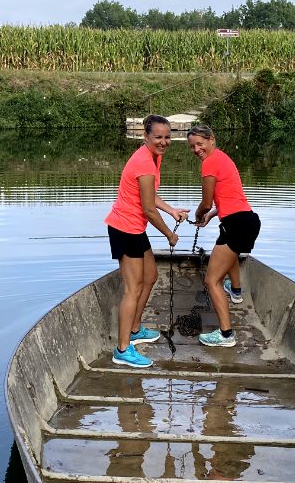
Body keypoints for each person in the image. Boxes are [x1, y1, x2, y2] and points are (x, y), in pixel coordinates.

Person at [105, 114, 189, 368]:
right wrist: (169, 234)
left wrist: (172, 210)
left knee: (150, 276)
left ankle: (135, 329)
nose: (164, 142)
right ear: (146, 137)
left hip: (134, 228)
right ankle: (122, 349)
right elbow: (149, 209)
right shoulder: (144, 162)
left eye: (167, 137)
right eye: (158, 137)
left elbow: (151, 196)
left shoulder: (155, 157)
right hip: (125, 229)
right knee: (132, 289)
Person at [188, 125, 260, 347]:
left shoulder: (209, 164)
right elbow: (227, 200)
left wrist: (200, 214)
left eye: (200, 144)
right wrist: (210, 216)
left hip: (235, 225)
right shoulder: (223, 159)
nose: (196, 149)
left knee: (212, 280)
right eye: (192, 146)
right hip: (247, 220)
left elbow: (207, 201)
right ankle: (236, 291)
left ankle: (226, 335)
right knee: (228, 253)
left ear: (212, 139)